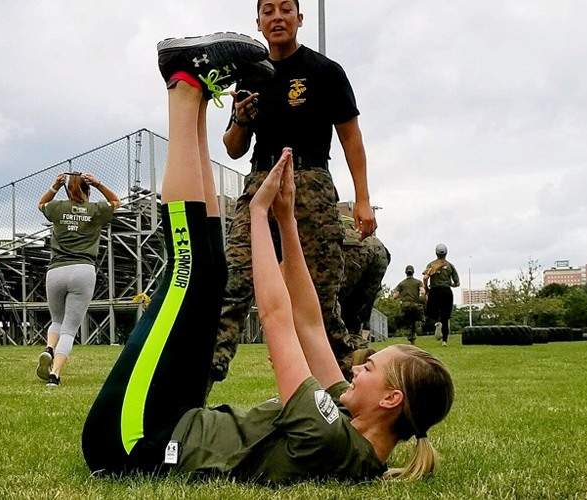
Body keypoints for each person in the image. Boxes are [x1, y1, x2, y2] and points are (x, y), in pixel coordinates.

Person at [81, 34, 453, 483]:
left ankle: (181, 86)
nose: (358, 366)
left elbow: (278, 318)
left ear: (390, 400)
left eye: (369, 367)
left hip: (130, 440)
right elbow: (310, 322)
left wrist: (259, 212)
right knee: (213, 272)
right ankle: (196, 92)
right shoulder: (347, 428)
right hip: (175, 417)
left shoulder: (327, 437)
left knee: (191, 265)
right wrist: (287, 220)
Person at [210, 0, 378, 385]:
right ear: (258, 22)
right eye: (268, 11)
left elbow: (351, 137)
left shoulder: (325, 71)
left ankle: (346, 391)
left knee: (317, 297)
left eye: (286, 9)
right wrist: (239, 119)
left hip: (311, 184)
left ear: (299, 19)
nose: (277, 18)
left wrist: (363, 198)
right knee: (235, 278)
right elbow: (233, 147)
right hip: (260, 182)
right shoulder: (250, 75)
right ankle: (209, 368)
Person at [36, 171, 120, 386]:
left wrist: (54, 186)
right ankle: (54, 375)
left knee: (57, 320)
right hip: (83, 269)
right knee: (70, 329)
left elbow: (41, 204)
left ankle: (49, 349)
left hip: (56, 270)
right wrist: (99, 182)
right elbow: (115, 202)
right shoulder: (95, 210)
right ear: (88, 189)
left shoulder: (58, 208)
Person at [338, 215, 390, 346]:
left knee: (336, 303)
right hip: (378, 249)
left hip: (349, 244)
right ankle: (358, 348)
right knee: (358, 307)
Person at [422, 244, 460, 346]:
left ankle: (437, 322)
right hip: (446, 291)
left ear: (436, 253)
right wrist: (450, 284)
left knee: (431, 312)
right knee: (446, 317)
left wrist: (426, 288)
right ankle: (444, 341)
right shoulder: (450, 266)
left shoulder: (431, 265)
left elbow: (425, 277)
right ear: (446, 253)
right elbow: (457, 283)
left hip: (434, 291)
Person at [393, 265, 425, 344]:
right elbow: (423, 292)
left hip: (405, 306)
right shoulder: (418, 282)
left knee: (409, 322)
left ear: (405, 273)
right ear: (413, 272)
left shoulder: (401, 283)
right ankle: (421, 320)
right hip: (415, 305)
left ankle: (411, 338)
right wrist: (421, 297)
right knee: (417, 316)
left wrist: (402, 295)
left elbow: (395, 296)